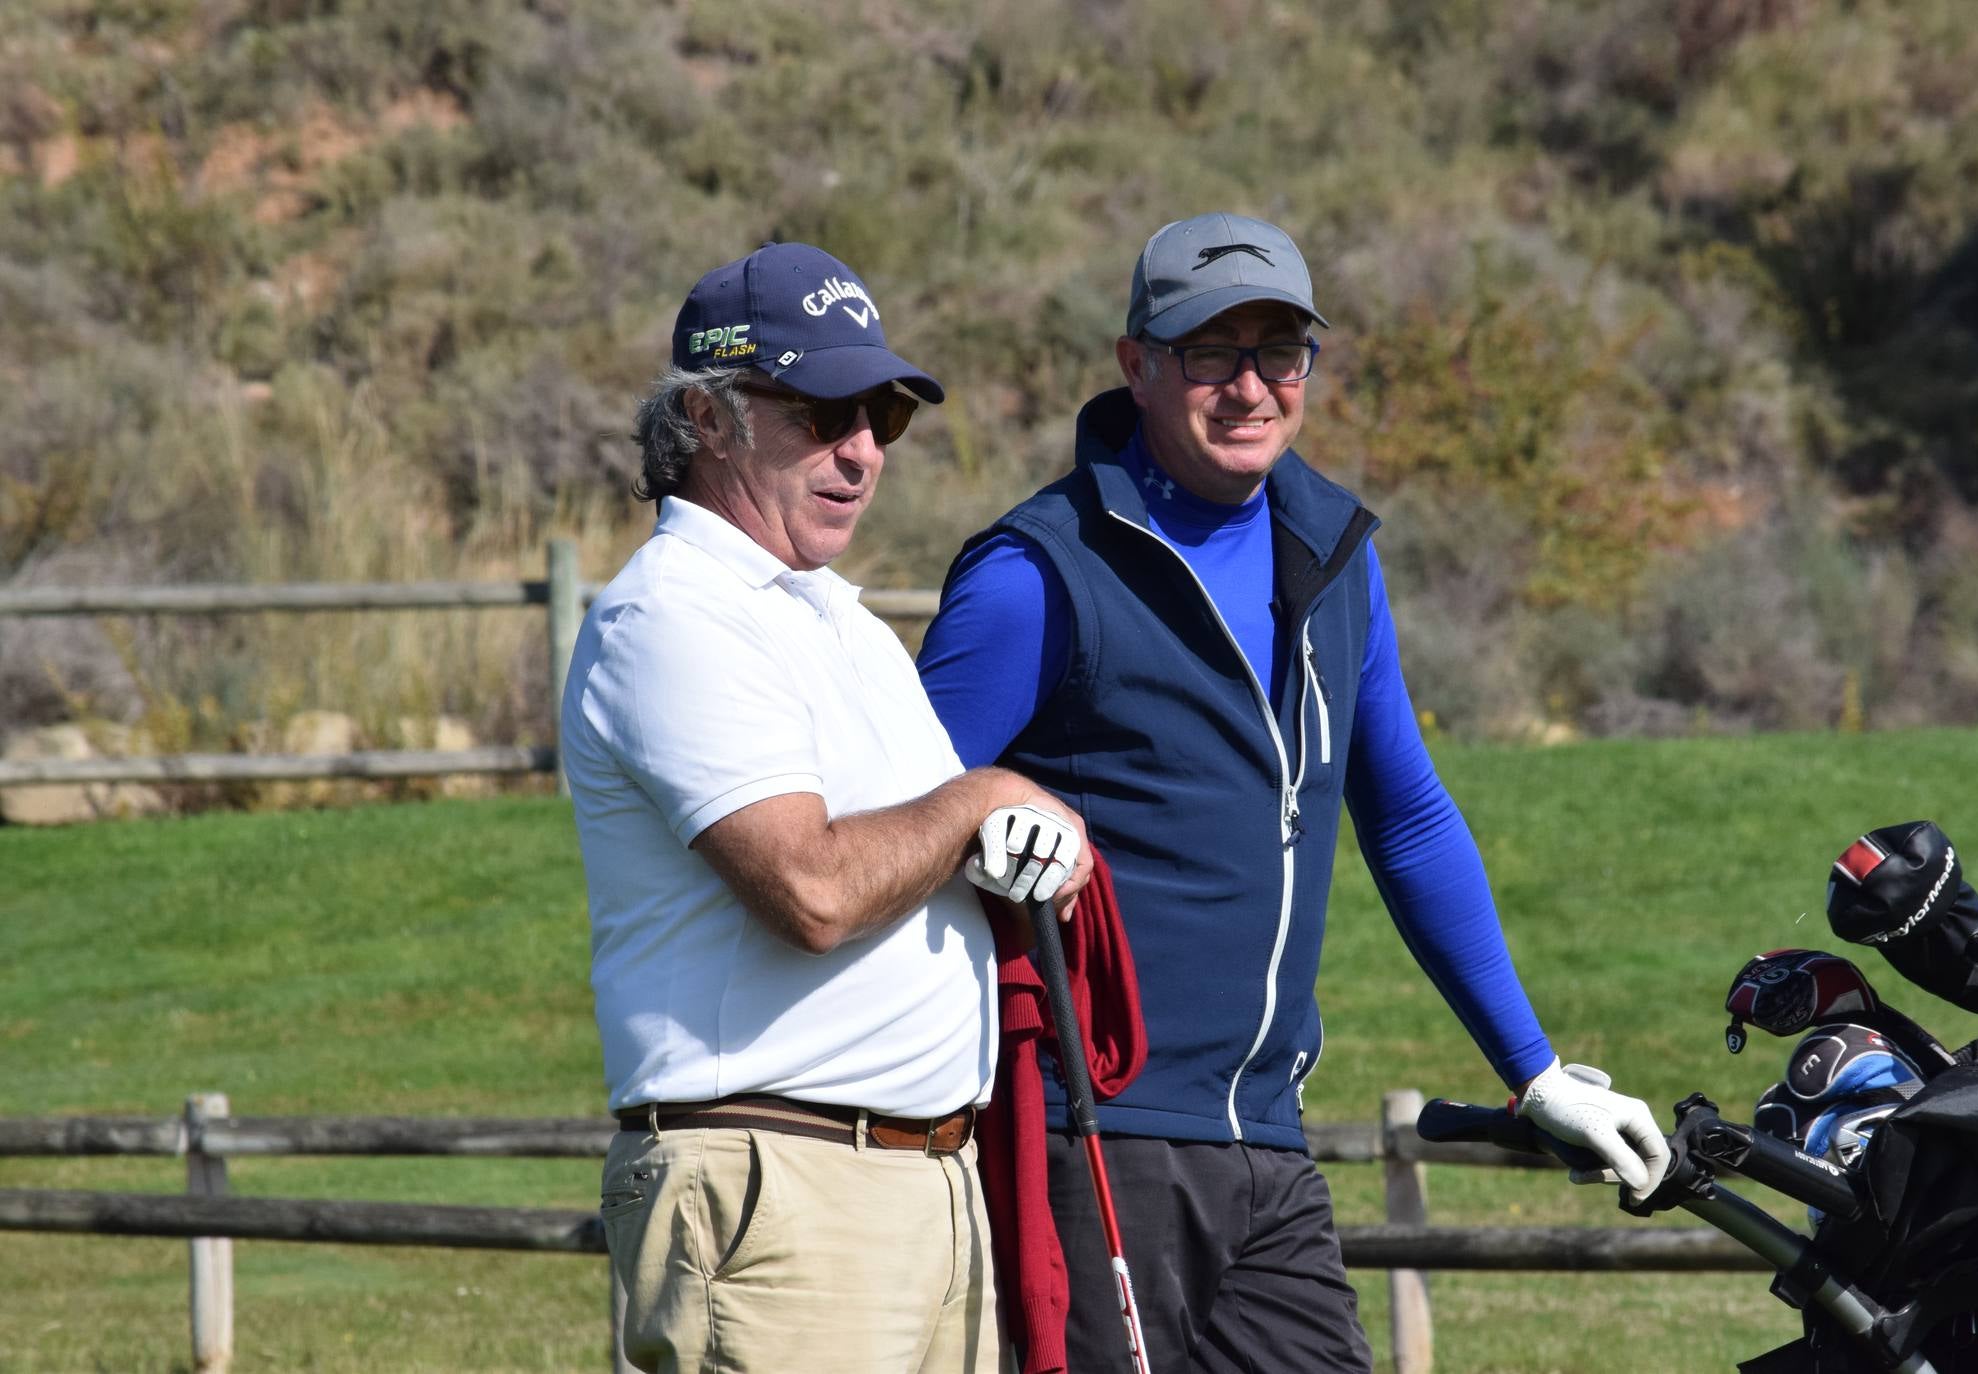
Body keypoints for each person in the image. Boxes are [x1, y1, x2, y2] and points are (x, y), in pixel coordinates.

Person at [917, 213, 1669, 1371]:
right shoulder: (1035, 573)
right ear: (1137, 365)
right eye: (1210, 352)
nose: (1250, 387)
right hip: (1095, 1134)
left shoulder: (1337, 557)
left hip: (1270, 1141)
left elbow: (1408, 819)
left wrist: (1533, 1072)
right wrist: (982, 804)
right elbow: (889, 824)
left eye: (1281, 351)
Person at [561, 241, 1090, 1374]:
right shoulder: (671, 617)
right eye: (820, 411)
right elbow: (812, 888)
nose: (859, 451)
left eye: (883, 416)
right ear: (707, 419)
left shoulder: (836, 621)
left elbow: (915, 846)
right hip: (777, 1190)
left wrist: (1002, 844)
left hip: (916, 1185)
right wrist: (983, 799)